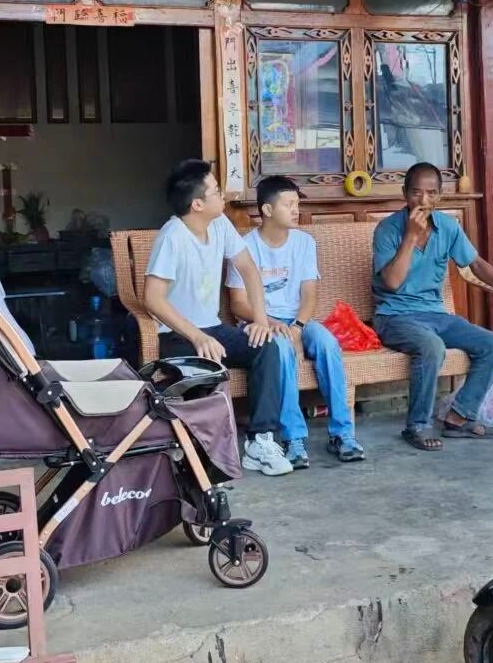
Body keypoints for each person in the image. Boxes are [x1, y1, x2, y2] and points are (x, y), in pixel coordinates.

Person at [143, 159, 293, 477]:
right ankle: (201, 456)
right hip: (177, 335)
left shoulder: (220, 223)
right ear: (197, 204)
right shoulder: (172, 236)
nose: (223, 194)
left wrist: (261, 321)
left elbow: (248, 269)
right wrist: (196, 335)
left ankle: (260, 441)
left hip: (212, 329)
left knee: (266, 346)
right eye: (215, 190)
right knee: (207, 368)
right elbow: (152, 298)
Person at [372, 162, 493, 452]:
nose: (423, 200)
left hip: (436, 315)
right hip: (395, 317)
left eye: (431, 193)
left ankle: (459, 418)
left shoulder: (447, 227)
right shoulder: (387, 229)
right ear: (404, 193)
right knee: (431, 347)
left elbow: (476, 264)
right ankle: (417, 426)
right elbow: (392, 283)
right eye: (416, 193)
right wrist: (410, 236)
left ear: (440, 196)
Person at [227, 176, 367, 468]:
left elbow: (310, 294)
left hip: (298, 321)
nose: (296, 210)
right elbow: (238, 304)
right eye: (289, 204)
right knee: (281, 350)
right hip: (260, 323)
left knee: (328, 343)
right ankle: (293, 438)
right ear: (267, 210)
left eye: (297, 204)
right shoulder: (243, 246)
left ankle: (343, 433)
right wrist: (272, 323)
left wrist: (298, 328)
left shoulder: (304, 242)